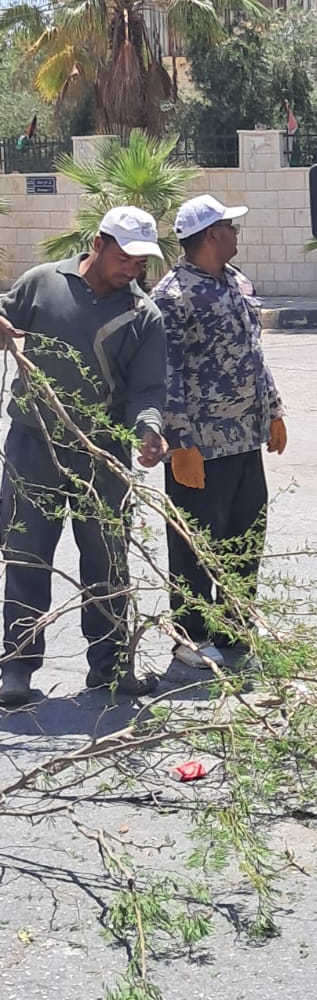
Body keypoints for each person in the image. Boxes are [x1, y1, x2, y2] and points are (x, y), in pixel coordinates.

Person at [0, 208, 169, 708]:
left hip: (102, 450)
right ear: (97, 243)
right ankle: (16, 670)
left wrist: (151, 431)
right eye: (125, 258)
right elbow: (6, 313)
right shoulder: (41, 283)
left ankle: (112, 668)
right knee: (27, 555)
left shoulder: (144, 314)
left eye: (141, 262)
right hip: (33, 444)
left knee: (108, 562)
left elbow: (148, 389)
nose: (133, 270)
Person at [152, 194, 286, 671]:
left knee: (244, 539)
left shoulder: (236, 282)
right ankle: (190, 636)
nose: (236, 233)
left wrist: (273, 411)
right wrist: (180, 444)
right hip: (201, 449)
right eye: (229, 226)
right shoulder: (172, 296)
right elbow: (165, 375)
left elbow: (254, 354)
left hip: (245, 440)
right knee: (195, 545)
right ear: (211, 235)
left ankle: (235, 629)